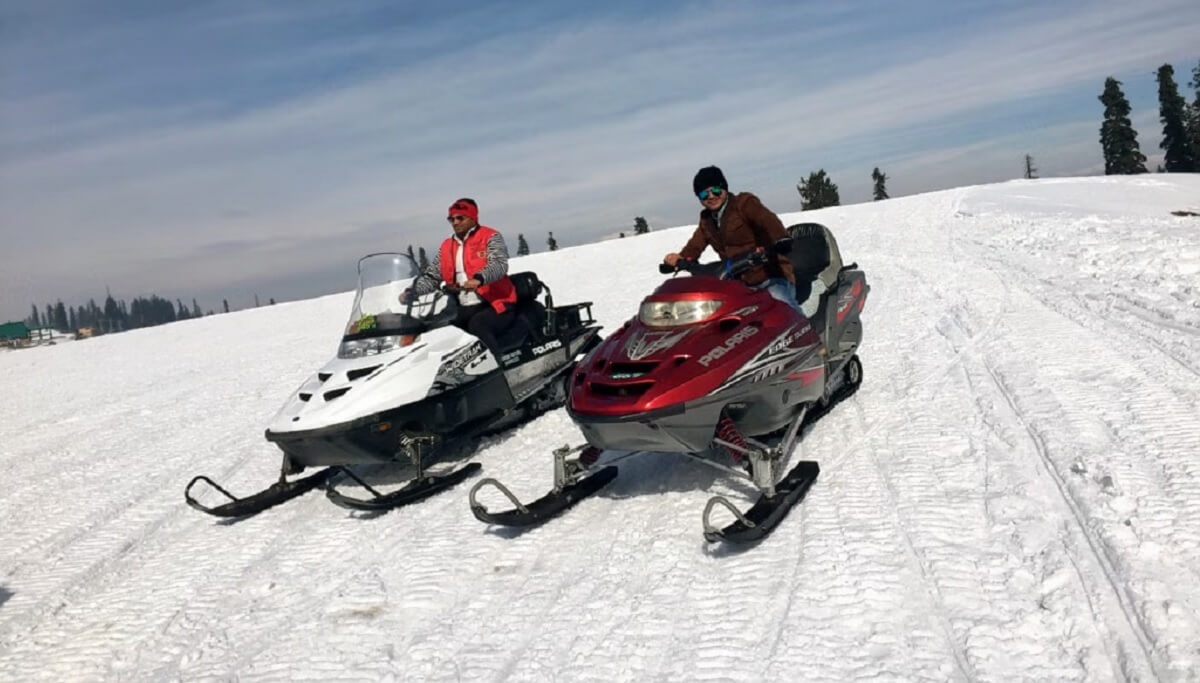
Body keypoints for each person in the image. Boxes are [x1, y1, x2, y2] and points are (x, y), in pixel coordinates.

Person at [664, 166, 807, 315]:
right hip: (736, 285)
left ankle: (808, 335)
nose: (711, 196)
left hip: (769, 276)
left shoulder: (744, 204)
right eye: (704, 194)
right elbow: (695, 244)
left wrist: (780, 238)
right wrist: (680, 259)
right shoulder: (707, 220)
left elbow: (767, 220)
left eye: (716, 190)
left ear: (724, 188)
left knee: (782, 307)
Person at [408, 198, 517, 360]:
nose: (455, 222)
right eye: (452, 219)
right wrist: (413, 291)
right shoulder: (447, 246)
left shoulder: (490, 236)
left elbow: (499, 265)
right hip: (462, 306)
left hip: (494, 303)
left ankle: (497, 370)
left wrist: (480, 279)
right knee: (435, 329)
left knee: (478, 325)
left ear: (473, 217)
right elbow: (432, 276)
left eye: (460, 218)